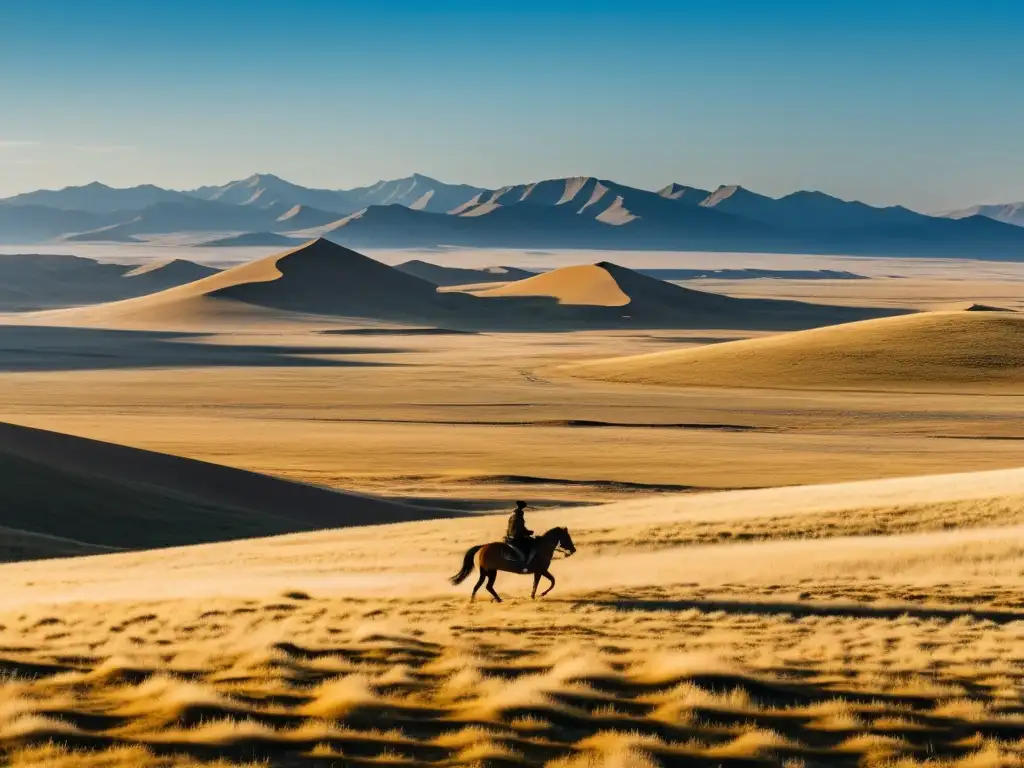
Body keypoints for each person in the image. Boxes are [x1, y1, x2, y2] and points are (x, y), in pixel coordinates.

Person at [505, 500, 535, 572]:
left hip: (510, 536)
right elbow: (520, 528)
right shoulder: (518, 516)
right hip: (516, 537)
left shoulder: (512, 516)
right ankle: (524, 566)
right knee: (528, 549)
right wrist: (528, 532)